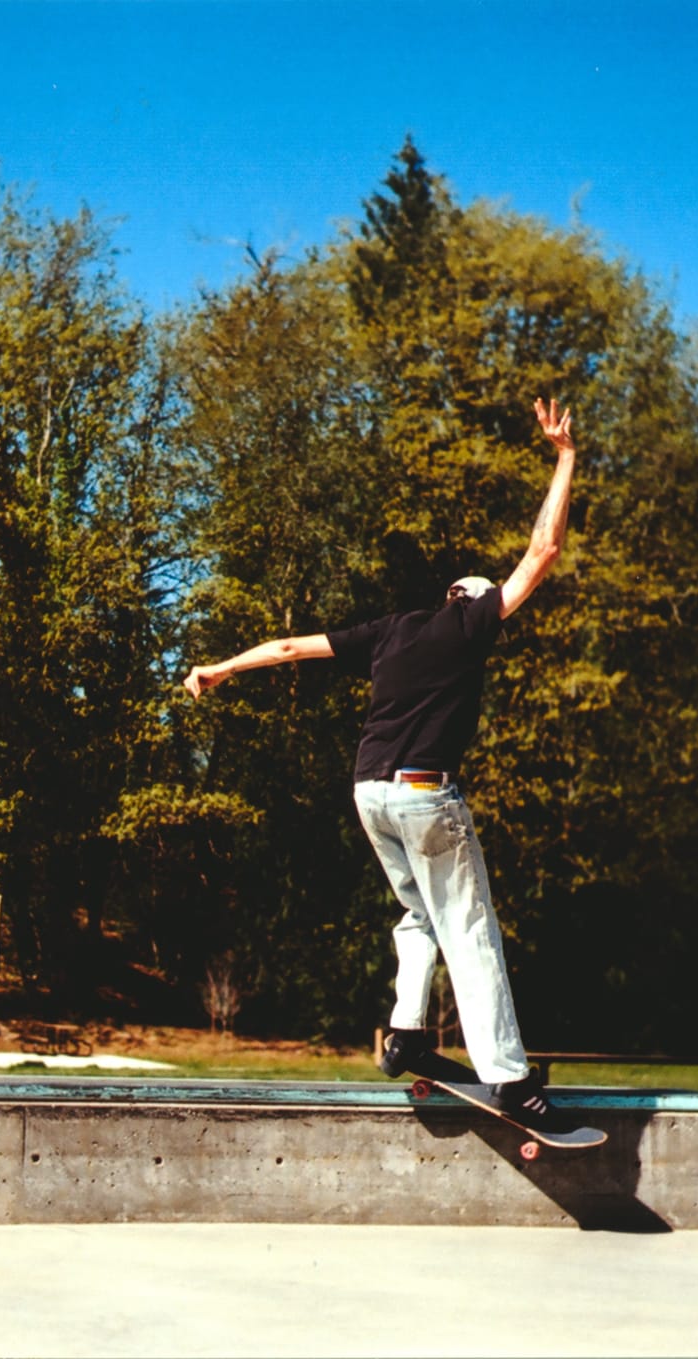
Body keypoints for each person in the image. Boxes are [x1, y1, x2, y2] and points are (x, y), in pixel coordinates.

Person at [183, 397, 580, 1130]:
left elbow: (291, 648)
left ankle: (403, 1027)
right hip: (426, 798)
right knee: (471, 928)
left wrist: (218, 668)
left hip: (368, 794)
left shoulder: (391, 629)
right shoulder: (472, 620)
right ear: (473, 599)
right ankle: (511, 1079)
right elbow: (542, 552)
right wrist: (564, 456)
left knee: (417, 912)